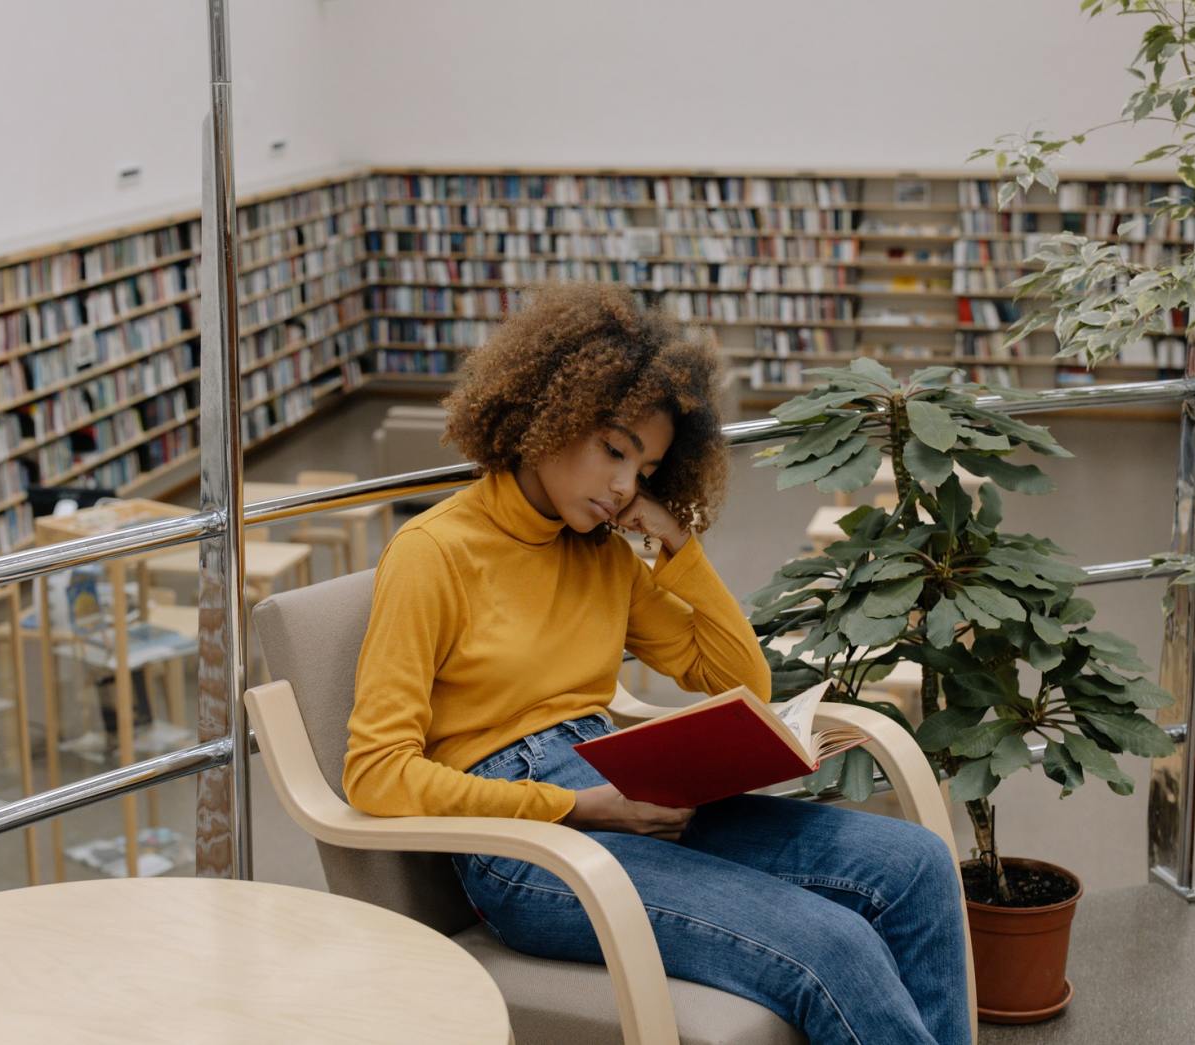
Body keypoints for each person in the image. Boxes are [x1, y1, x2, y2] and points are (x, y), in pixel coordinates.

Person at [343, 284, 970, 1044]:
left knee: (918, 863)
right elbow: (375, 774)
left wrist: (680, 547)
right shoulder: (433, 553)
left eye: (644, 470)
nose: (623, 487)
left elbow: (741, 682)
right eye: (614, 449)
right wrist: (578, 806)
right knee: (833, 945)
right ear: (547, 414)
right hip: (524, 847)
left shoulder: (602, 555)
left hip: (621, 785)